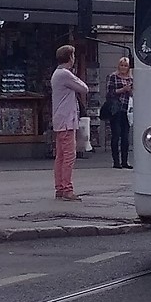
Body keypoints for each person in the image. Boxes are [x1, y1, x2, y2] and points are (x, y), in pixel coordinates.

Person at [51, 44, 89, 200]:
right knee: (69, 155)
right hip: (67, 120)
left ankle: (59, 187)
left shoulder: (57, 74)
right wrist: (76, 76)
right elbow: (84, 88)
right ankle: (67, 188)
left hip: (60, 119)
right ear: (70, 58)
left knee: (60, 156)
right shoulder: (65, 74)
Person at [103, 55, 134, 169]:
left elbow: (133, 94)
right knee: (116, 135)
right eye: (121, 65)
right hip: (115, 110)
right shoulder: (113, 77)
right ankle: (116, 161)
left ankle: (125, 161)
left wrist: (130, 91)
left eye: (125, 66)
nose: (123, 67)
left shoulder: (131, 79)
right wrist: (122, 90)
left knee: (125, 137)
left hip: (126, 110)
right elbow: (109, 93)